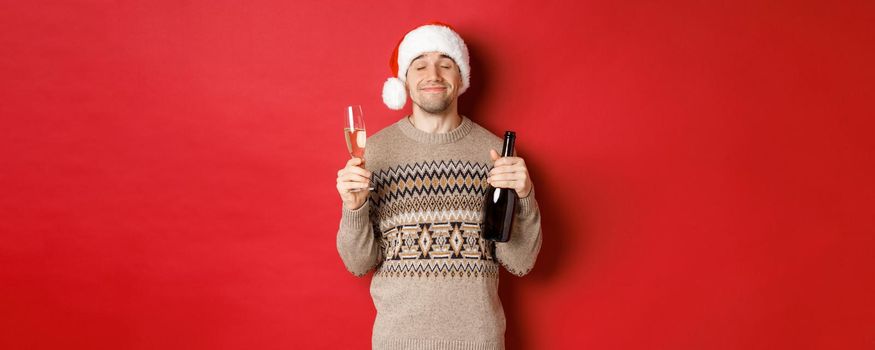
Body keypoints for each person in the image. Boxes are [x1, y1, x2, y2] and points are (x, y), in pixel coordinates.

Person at [335, 22, 542, 350]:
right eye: (419, 65)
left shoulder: (495, 154)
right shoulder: (373, 153)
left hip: (479, 342)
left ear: (461, 78)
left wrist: (526, 196)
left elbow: (520, 262)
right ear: (404, 80)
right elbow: (357, 264)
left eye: (446, 64)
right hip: (397, 342)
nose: (433, 74)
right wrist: (354, 208)